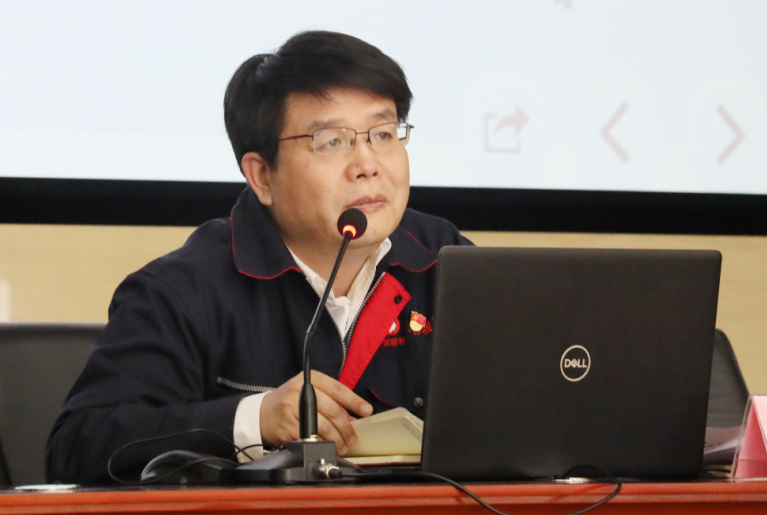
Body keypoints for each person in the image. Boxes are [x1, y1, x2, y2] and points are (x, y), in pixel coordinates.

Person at [45, 31, 473, 485]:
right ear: (262, 176)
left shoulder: (447, 263)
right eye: (332, 141)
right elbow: (76, 447)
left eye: (383, 134)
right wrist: (255, 419)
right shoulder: (184, 290)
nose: (368, 164)